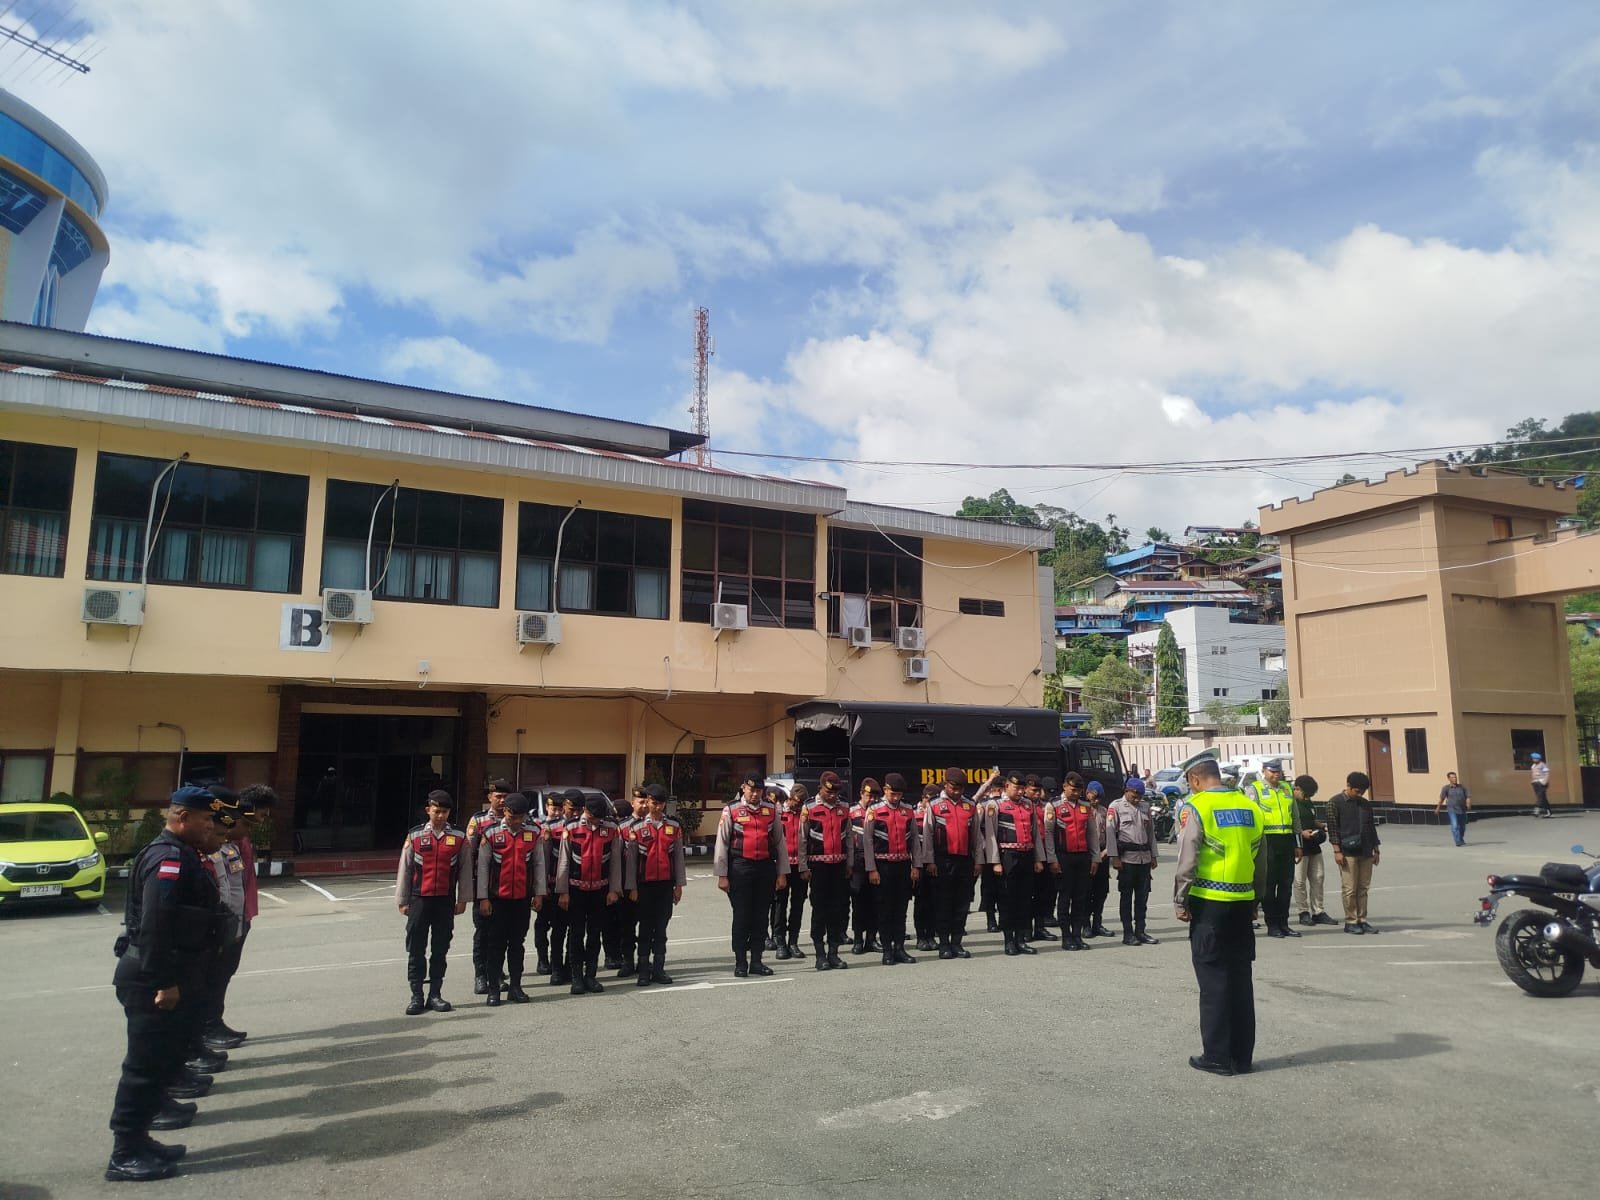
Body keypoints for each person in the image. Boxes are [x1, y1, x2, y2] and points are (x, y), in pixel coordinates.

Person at [105, 787, 236, 1182]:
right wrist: (164, 982)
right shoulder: (169, 859)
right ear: (182, 818)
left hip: (173, 971)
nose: (211, 826)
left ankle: (142, 1139)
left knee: (161, 1061)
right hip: (154, 977)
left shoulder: (182, 853)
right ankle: (125, 1153)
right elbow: (156, 924)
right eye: (205, 819)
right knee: (144, 1067)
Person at [1172, 757, 1262, 1077]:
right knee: (1240, 980)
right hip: (1242, 901)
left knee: (1214, 982)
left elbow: (1188, 859)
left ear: (1195, 780)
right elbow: (1260, 857)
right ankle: (1242, 1056)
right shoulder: (1249, 806)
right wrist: (1255, 899)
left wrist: (1180, 900)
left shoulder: (1197, 807)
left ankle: (1217, 1056)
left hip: (1210, 903)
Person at [396, 789, 470, 1014]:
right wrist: (402, 900)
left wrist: (463, 899)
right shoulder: (415, 835)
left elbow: (465, 870)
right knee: (416, 948)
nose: (440, 816)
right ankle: (416, 996)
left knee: (440, 949)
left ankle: (435, 994)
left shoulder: (459, 836)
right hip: (419, 899)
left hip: (445, 901)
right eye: (436, 811)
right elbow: (405, 869)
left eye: (444, 812)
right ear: (428, 810)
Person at [714, 771, 788, 977]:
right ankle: (740, 962)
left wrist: (782, 872)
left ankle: (757, 961)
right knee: (742, 916)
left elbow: (779, 843)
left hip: (765, 868)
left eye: (758, 790)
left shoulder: (771, 810)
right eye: (751, 790)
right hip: (740, 868)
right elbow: (722, 843)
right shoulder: (731, 809)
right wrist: (722, 875)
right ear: (743, 788)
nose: (754, 794)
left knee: (760, 916)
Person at [476, 793, 545, 1006]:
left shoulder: (533, 832)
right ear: (505, 811)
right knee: (495, 944)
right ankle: (494, 990)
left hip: (522, 898)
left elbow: (538, 864)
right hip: (497, 899)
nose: (516, 821)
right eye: (512, 817)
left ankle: (516, 986)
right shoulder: (491, 832)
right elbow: (483, 867)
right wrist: (483, 898)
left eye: (520, 817)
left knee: (517, 944)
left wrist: (539, 893)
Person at [555, 792, 625, 994]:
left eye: (599, 818)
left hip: (600, 891)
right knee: (576, 935)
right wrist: (563, 892)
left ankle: (591, 976)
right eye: (594, 817)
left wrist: (614, 889)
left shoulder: (611, 828)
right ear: (585, 811)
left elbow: (615, 861)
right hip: (576, 890)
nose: (596, 821)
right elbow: (564, 861)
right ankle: (576, 977)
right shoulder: (571, 827)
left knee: (594, 935)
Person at [922, 768, 985, 960]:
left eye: (960, 788)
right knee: (944, 902)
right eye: (953, 787)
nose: (957, 791)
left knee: (962, 903)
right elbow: (927, 835)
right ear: (945, 784)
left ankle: (957, 942)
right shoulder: (934, 805)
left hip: (965, 861)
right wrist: (929, 861)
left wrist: (979, 861)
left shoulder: (970, 805)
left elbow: (976, 836)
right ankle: (944, 944)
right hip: (943, 860)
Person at [626, 784, 685, 987]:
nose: (656, 807)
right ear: (648, 802)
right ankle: (643, 971)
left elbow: (678, 859)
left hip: (665, 886)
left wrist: (679, 886)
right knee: (645, 928)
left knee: (661, 929)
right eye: (653, 803)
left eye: (660, 803)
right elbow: (632, 862)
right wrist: (632, 887)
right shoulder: (637, 827)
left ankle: (659, 969)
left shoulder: (674, 826)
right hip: (644, 886)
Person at [983, 772, 1045, 956]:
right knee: (1007, 899)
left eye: (1021, 788)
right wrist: (995, 861)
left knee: (1024, 899)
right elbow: (990, 835)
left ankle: (1021, 939)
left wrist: (1038, 858)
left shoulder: (1028, 805)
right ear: (1006, 786)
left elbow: (1035, 834)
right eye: (1016, 788)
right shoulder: (996, 805)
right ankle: (1009, 940)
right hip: (1007, 856)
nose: (1019, 792)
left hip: (1027, 855)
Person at [863, 773, 922, 965]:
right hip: (882, 865)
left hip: (903, 865)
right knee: (885, 909)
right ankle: (887, 950)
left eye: (899, 794)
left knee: (901, 909)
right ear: (885, 790)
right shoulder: (874, 809)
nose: (896, 798)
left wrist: (916, 865)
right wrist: (871, 869)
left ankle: (900, 948)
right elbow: (867, 841)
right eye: (892, 794)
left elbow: (915, 840)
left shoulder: (908, 810)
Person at [799, 771, 854, 970]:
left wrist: (850, 863)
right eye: (828, 792)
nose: (832, 796)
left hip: (839, 866)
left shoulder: (844, 807)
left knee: (837, 910)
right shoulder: (809, 807)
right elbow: (802, 839)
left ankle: (833, 953)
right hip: (818, 867)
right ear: (820, 788)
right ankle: (820, 954)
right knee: (820, 910)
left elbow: (849, 837)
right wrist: (803, 866)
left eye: (835, 793)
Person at [1044, 772, 1100, 951]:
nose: (1076, 793)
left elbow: (1092, 834)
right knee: (1065, 897)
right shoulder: (1054, 806)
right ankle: (1066, 937)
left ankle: (1077, 935)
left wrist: (1095, 857)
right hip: (1063, 857)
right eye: (1073, 790)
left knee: (1080, 898)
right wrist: (1052, 859)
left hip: (1083, 857)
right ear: (1064, 786)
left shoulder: (1086, 806)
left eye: (1079, 790)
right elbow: (1048, 834)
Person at [1245, 759, 1301, 939]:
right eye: (1272, 771)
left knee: (1286, 885)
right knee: (1268, 885)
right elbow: (1251, 817)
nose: (1276, 774)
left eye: (1278, 771)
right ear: (1264, 771)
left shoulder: (1287, 788)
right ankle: (1272, 924)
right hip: (1266, 842)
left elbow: (1295, 817)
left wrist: (1298, 843)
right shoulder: (1254, 789)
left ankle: (1284, 923)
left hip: (1286, 841)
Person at [465, 779, 510, 995]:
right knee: (483, 932)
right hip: (484, 887)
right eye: (498, 797)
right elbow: (469, 854)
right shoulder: (478, 821)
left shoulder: (515, 819)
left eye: (505, 797)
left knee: (501, 933)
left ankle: (496, 972)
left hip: (506, 887)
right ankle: (480, 975)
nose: (502, 801)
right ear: (489, 797)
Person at [1105, 777, 1160, 946]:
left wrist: (1153, 855)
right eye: (1134, 796)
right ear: (1127, 791)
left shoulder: (1145, 807)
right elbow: (1110, 833)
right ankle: (1128, 933)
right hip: (1127, 859)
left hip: (1144, 858)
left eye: (1140, 796)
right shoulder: (1116, 807)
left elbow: (1150, 833)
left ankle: (1140, 931)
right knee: (1126, 897)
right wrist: (1114, 857)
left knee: (1142, 897)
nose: (1137, 799)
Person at [1330, 772, 1381, 935]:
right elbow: (1333, 829)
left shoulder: (1365, 804)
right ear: (1348, 786)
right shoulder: (1335, 802)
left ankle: (1362, 919)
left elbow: (1371, 827)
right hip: (1347, 851)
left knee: (1363, 887)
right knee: (1350, 888)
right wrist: (1337, 851)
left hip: (1366, 850)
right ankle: (1351, 921)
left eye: (1363, 792)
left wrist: (1376, 849)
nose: (1359, 795)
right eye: (1357, 791)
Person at [534, 789, 574, 983]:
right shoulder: (540, 827)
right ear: (546, 807)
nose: (556, 812)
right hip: (547, 885)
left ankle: (564, 964)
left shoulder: (568, 826)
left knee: (562, 926)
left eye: (560, 809)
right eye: (553, 808)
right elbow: (539, 861)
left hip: (564, 885)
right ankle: (543, 959)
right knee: (542, 924)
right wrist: (541, 889)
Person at [611, 787, 647, 977]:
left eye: (646, 802)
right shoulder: (622, 827)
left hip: (649, 884)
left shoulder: (656, 825)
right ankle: (627, 961)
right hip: (627, 885)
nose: (644, 805)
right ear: (632, 803)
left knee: (648, 926)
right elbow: (616, 859)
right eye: (640, 802)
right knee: (627, 926)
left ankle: (644, 961)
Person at [771, 783, 809, 960]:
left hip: (800, 867)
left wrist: (806, 867)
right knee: (780, 904)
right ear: (790, 798)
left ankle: (793, 942)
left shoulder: (805, 814)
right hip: (782, 867)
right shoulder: (778, 813)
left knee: (798, 906)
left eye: (801, 803)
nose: (798, 805)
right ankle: (780, 942)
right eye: (796, 801)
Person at [1291, 775, 1335, 927]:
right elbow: (1290, 822)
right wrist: (1301, 832)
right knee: (1299, 881)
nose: (1307, 797)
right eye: (1305, 794)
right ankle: (1303, 912)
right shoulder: (1291, 803)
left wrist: (1321, 825)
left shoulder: (1308, 802)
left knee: (1318, 877)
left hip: (1313, 845)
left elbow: (1311, 819)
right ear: (1297, 789)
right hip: (1299, 846)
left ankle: (1318, 911)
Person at [848, 779, 880, 954]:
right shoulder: (851, 812)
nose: (872, 800)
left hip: (876, 859)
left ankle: (871, 939)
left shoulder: (879, 811)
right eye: (868, 796)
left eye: (875, 796)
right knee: (858, 902)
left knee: (875, 901)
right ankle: (858, 939)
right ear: (861, 794)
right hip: (858, 860)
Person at [1028, 776, 1059, 942]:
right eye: (1034, 790)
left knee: (1043, 893)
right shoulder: (1023, 806)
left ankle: (1040, 927)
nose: (1037, 794)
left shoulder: (1045, 806)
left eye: (1039, 790)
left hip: (1046, 853)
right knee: (1027, 895)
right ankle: (1025, 929)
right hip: (1027, 853)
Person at [911, 784, 940, 951]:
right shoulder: (913, 814)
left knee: (934, 901)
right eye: (928, 799)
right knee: (921, 902)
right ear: (923, 798)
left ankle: (931, 935)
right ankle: (921, 937)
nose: (930, 803)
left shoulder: (938, 813)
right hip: (919, 864)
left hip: (935, 863)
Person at [1085, 781, 1113, 938]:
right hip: (1087, 854)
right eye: (1093, 797)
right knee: (1086, 891)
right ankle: (1085, 924)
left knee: (1101, 891)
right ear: (1087, 793)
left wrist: (1107, 851)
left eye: (1098, 798)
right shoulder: (1083, 809)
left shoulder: (1104, 811)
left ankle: (1097, 923)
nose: (1095, 801)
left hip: (1102, 853)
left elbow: (1110, 833)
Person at [1436, 772, 1472, 847]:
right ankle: (1457, 841)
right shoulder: (1446, 788)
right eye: (1452, 777)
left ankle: (1460, 839)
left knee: (1462, 826)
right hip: (1452, 809)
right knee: (1455, 825)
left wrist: (1468, 803)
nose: (1454, 779)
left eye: (1455, 777)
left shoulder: (1462, 787)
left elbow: (1468, 796)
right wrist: (1438, 808)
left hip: (1462, 809)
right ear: (1449, 779)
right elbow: (1442, 799)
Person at [1530, 752, 1551, 818]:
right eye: (1533, 758)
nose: (1533, 759)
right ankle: (1548, 812)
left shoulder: (1543, 765)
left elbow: (1547, 773)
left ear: (1538, 759)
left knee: (1540, 796)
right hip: (1535, 783)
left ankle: (1537, 810)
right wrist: (1533, 781)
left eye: (1535, 758)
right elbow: (1534, 774)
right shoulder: (1533, 765)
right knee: (1543, 798)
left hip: (1541, 782)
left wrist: (1544, 782)